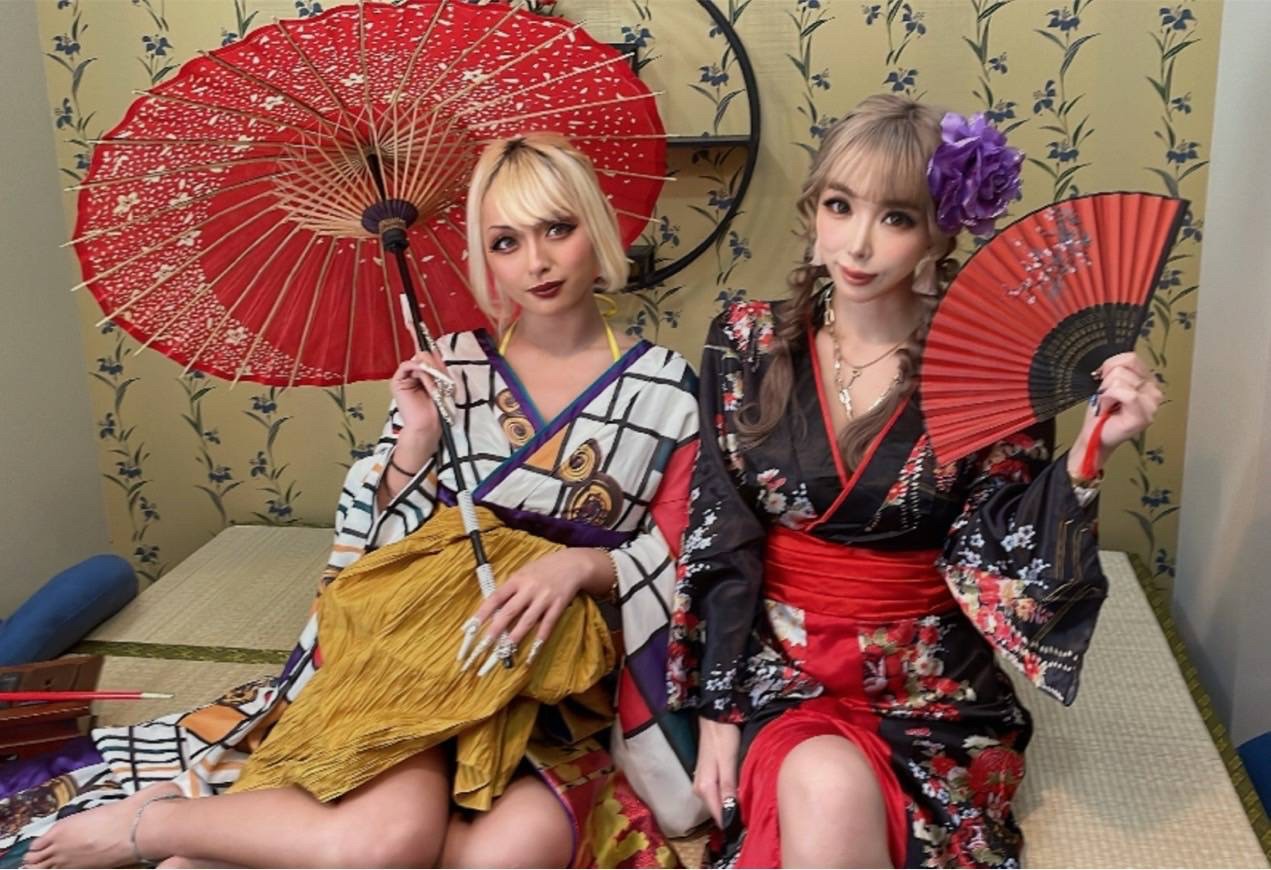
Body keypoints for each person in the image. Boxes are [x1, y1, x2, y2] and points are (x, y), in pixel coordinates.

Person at [7, 132, 700, 869]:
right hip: (415, 659)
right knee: (384, 845)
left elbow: (688, 554)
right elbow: (370, 556)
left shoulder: (668, 389)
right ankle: (158, 826)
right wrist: (416, 440)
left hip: (548, 688)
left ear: (597, 228)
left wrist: (580, 569)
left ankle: (222, 841)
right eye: (505, 241)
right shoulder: (452, 368)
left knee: (506, 855)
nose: (536, 261)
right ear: (484, 257)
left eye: (557, 228)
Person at [667, 94, 1163, 868]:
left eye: (895, 217)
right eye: (839, 206)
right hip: (780, 670)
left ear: (940, 232)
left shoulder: (989, 376)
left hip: (932, 688)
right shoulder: (745, 341)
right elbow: (718, 530)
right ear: (813, 209)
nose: (857, 244)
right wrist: (717, 707)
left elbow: (1002, 556)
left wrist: (1084, 458)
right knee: (827, 788)